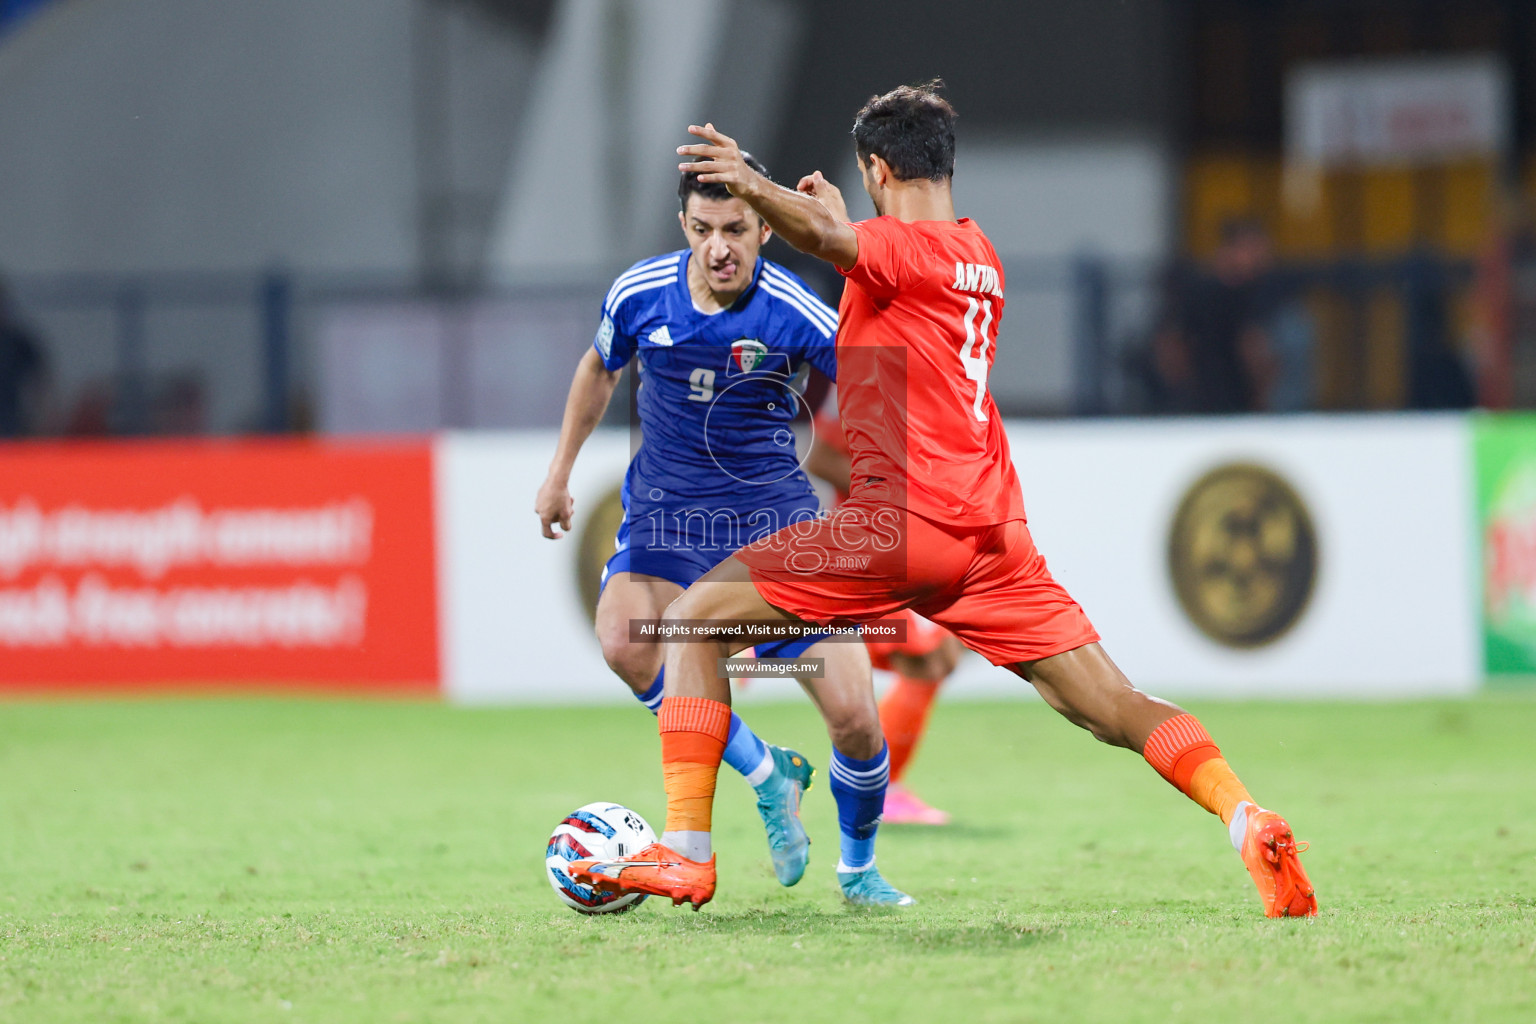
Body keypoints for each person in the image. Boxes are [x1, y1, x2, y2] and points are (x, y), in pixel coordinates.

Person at [570, 82, 1317, 919]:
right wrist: (805, 217)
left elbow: (849, 243)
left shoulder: (900, 247)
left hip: (900, 525)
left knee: (696, 623)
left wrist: (750, 182)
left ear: (878, 169)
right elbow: (859, 266)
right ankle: (1245, 816)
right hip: (993, 535)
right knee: (1113, 706)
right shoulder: (979, 256)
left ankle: (687, 854)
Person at [536, 155, 910, 906]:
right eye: (704, 230)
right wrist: (558, 473)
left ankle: (859, 868)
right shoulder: (642, 293)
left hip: (775, 528)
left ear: (765, 227)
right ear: (684, 227)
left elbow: (878, 381)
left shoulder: (796, 311)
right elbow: (598, 369)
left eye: (736, 228)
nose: (720, 247)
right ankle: (769, 775)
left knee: (855, 720)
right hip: (668, 524)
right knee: (627, 639)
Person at [804, 393, 962, 825]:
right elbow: (818, 457)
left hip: (898, 550)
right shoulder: (864, 372)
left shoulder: (933, 373)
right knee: (926, 658)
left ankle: (884, 787)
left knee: (940, 656)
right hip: (861, 549)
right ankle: (880, 790)